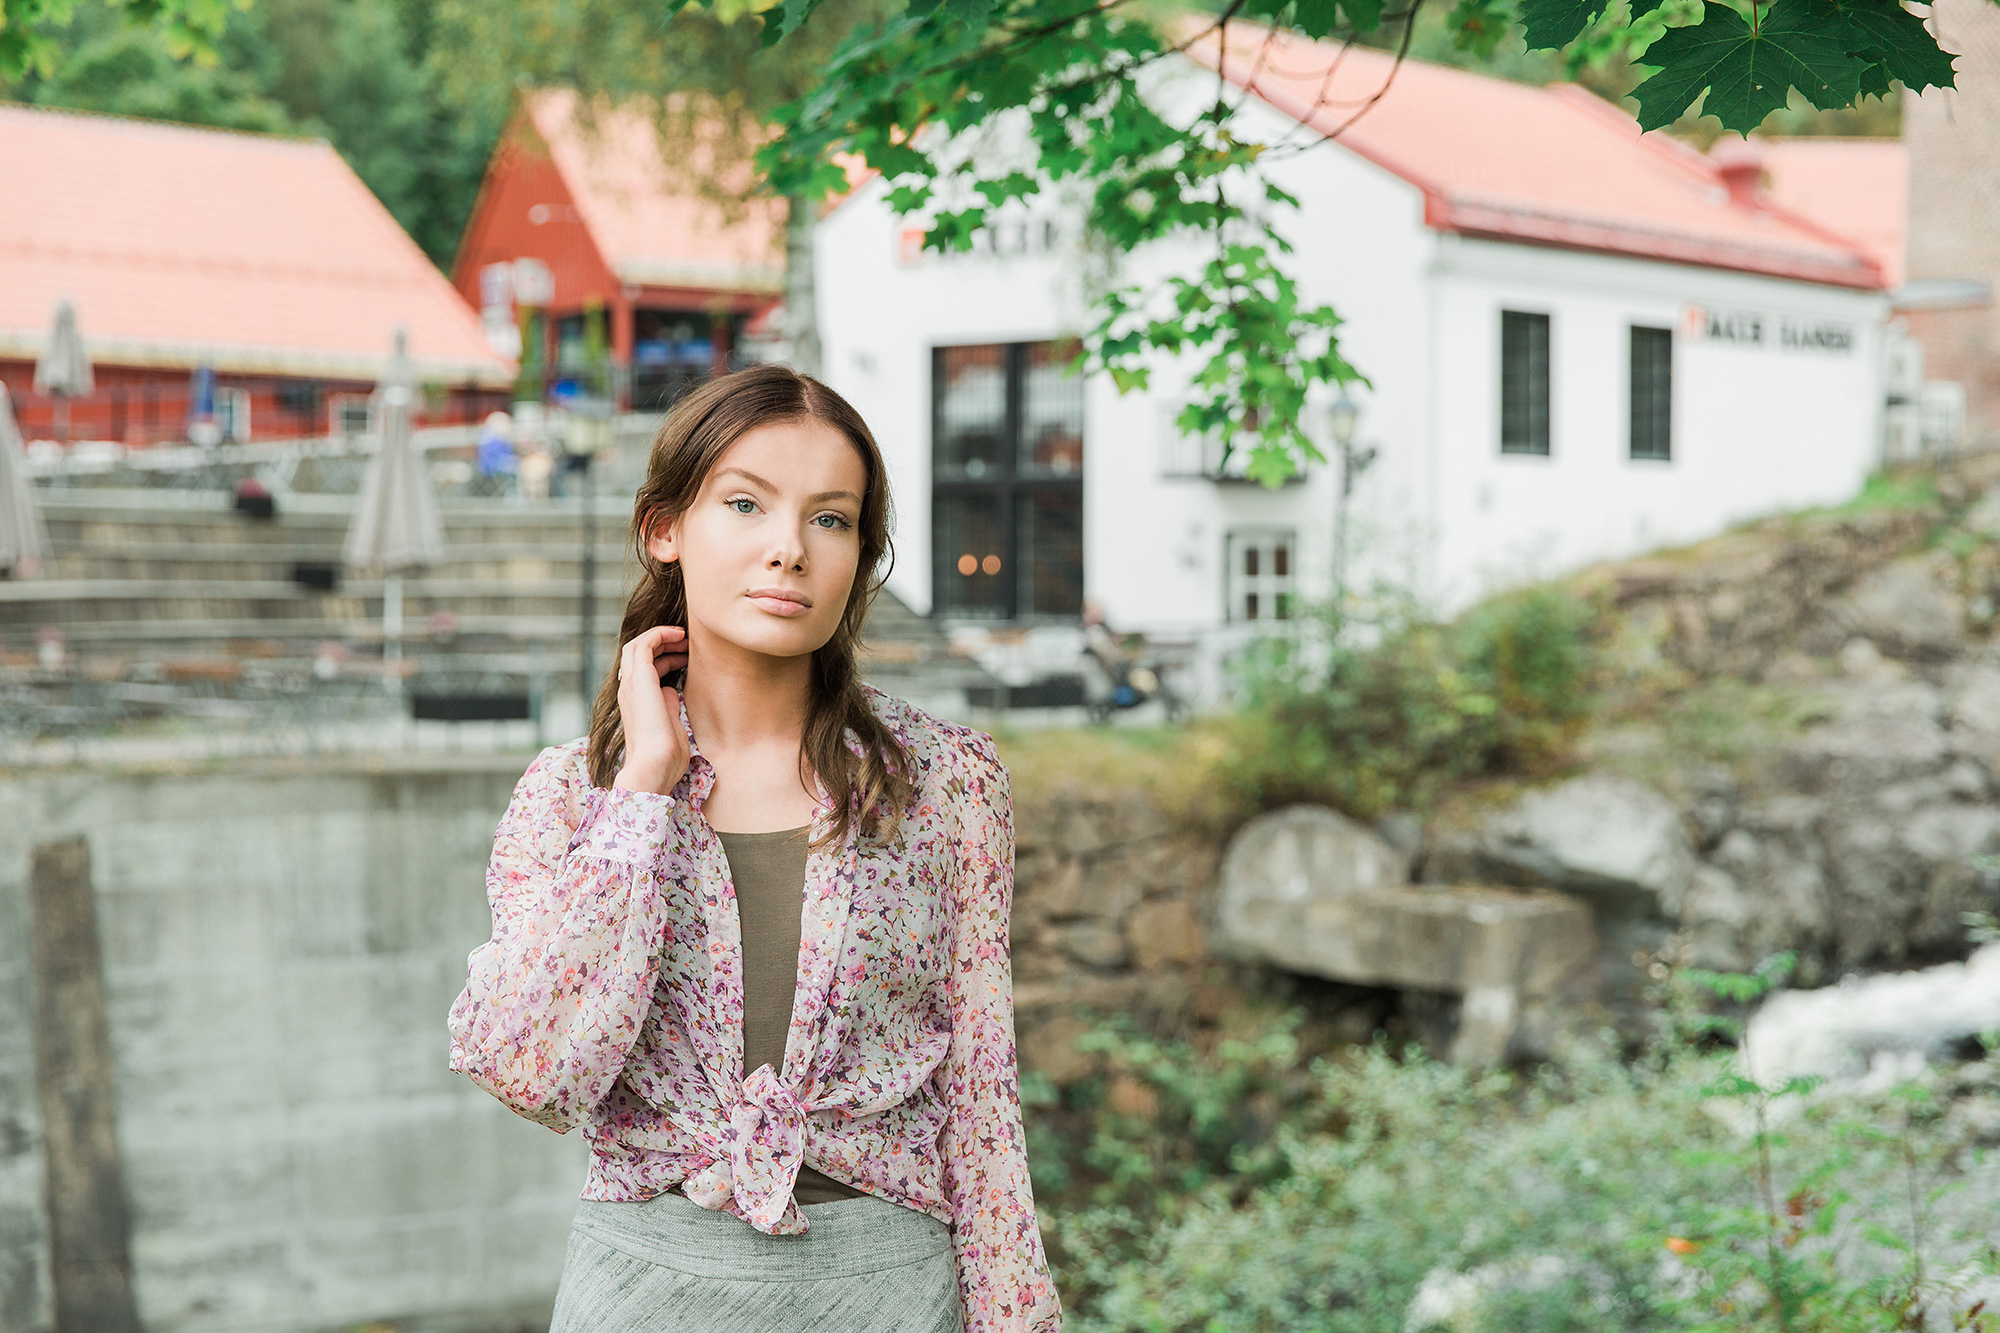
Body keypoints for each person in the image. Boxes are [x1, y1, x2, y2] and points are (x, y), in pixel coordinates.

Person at [447, 364, 1060, 1333]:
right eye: (745, 503)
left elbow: (981, 1103)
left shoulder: (946, 784)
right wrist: (643, 788)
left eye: (830, 518)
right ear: (664, 527)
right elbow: (528, 1068)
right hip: (646, 1291)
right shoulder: (573, 794)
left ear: (859, 554)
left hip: (888, 1293)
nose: (789, 550)